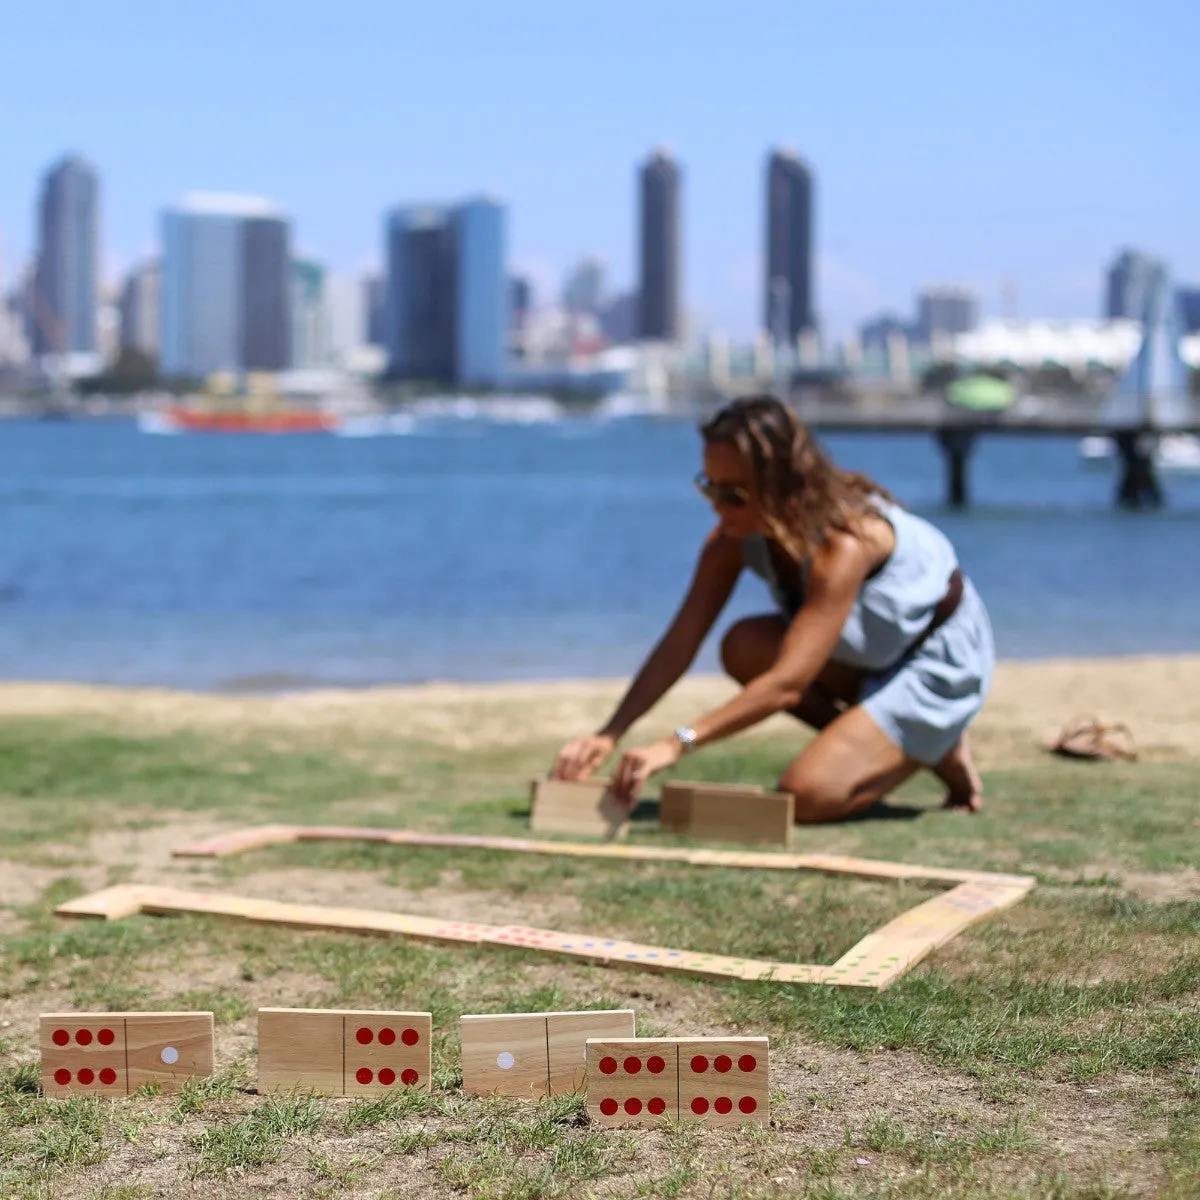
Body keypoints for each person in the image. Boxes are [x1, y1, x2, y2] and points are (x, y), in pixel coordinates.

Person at [550, 394, 994, 823]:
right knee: (744, 646)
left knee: (806, 795)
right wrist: (610, 732)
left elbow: (788, 684)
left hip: (935, 661)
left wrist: (675, 743)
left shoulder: (845, 543)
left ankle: (926, 736)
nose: (719, 508)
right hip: (871, 651)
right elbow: (680, 642)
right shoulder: (732, 538)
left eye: (735, 495)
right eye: (710, 488)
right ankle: (908, 741)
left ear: (783, 485)